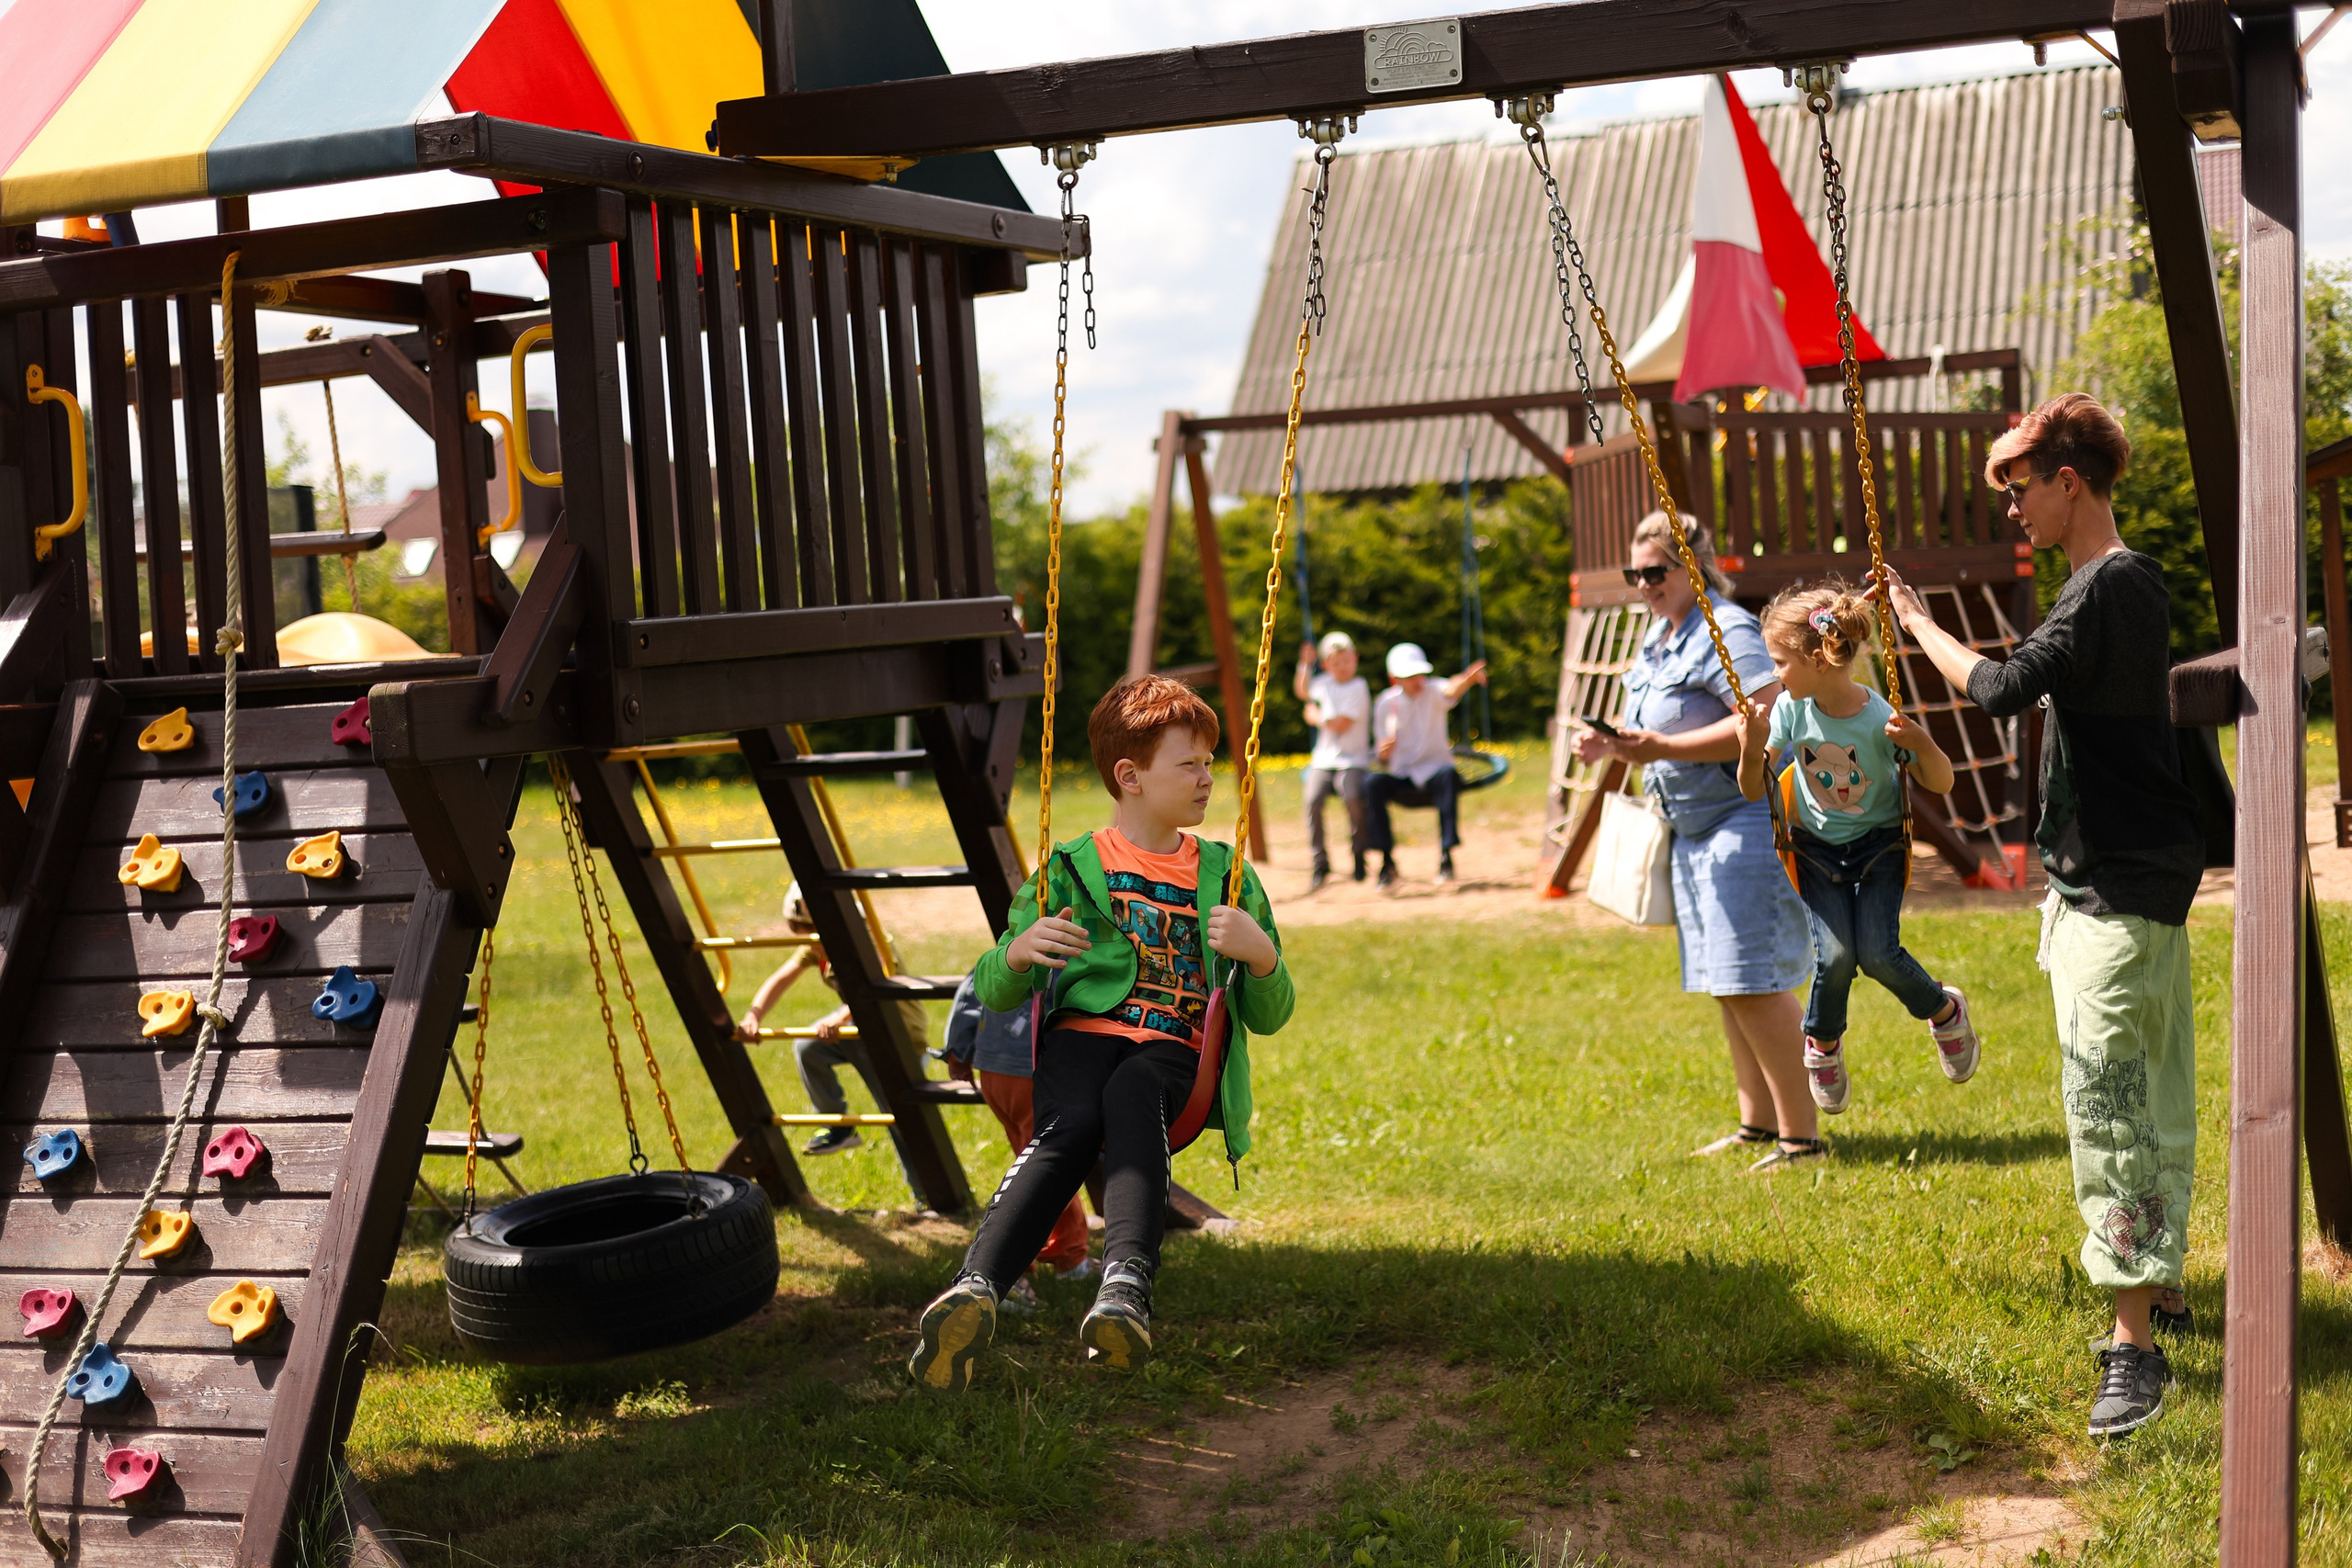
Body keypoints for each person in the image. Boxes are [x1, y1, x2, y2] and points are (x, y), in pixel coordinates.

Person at [1872, 393, 2200, 1439]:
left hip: (2121, 885)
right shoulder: (2093, 589)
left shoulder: (2114, 583)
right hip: (2101, 886)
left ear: (2068, 481)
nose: (2009, 508)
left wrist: (1917, 624)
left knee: (2113, 1107)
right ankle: (2160, 1285)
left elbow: (2005, 689)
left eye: (2016, 487)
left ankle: (2132, 1350)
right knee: (2146, 1091)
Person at [908, 674, 1294, 1391]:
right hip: (1082, 1037)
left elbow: (1270, 1012)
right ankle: (975, 1288)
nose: (1210, 777)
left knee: (1135, 1090)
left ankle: (1123, 1289)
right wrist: (1020, 953)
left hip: (1175, 1050)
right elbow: (995, 984)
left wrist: (1261, 954)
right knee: (1070, 1123)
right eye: (1191, 763)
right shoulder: (1071, 869)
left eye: (1212, 762)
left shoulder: (1226, 875)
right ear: (1131, 776)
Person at [1571, 512, 1820, 1171]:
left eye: (1656, 571)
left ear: (1694, 566)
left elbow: (1767, 717)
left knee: (1754, 980)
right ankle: (1757, 1126)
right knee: (1725, 982)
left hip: (1741, 820)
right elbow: (1647, 723)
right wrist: (1613, 742)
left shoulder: (1726, 627)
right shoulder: (1660, 633)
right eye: (1636, 573)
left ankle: (1803, 1138)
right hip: (1692, 829)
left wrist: (1661, 746)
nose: (1644, 584)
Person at [1734, 581, 1981, 1113]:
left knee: (1877, 953)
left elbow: (1942, 782)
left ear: (1817, 659)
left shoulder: (1876, 719)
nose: (1773, 674)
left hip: (1879, 847)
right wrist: (1753, 747)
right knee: (1838, 953)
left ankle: (1943, 1012)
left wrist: (1922, 744)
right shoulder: (1788, 713)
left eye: (1779, 661)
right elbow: (1754, 789)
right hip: (1815, 849)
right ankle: (1822, 1042)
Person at [735, 884, 927, 1159]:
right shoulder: (817, 945)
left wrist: (840, 1016)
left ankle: (924, 1196)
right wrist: (753, 1015)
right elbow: (781, 979)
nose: (814, 946)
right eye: (805, 938)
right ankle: (836, 1125)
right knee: (808, 1046)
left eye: (815, 937)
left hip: (898, 1033)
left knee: (900, 1117)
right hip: (860, 1028)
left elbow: (875, 988)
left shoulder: (872, 941)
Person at [940, 972, 1095, 1281]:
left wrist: (958, 1051)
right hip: (1033, 1071)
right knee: (1047, 1170)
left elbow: (970, 994)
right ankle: (1036, 1260)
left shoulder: (1009, 944)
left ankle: (1058, 1250)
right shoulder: (1074, 949)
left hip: (993, 1071)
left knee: (1031, 1160)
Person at [1365, 642, 1488, 886]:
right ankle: (1386, 861)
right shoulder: (1385, 704)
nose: (1417, 680)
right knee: (1372, 783)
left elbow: (1451, 690)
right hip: (1402, 774)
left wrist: (1468, 680)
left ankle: (1446, 855)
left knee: (1448, 774)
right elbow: (1381, 756)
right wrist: (1383, 753)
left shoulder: (1434, 690)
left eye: (1420, 673)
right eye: (1410, 676)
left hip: (1434, 771)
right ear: (1395, 678)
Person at [1294, 630, 1373, 891]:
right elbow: (1302, 691)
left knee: (1352, 796)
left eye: (1346, 661)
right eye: (1335, 663)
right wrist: (1305, 663)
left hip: (1353, 760)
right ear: (1326, 665)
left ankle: (1359, 853)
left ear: (1355, 659)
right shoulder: (1323, 682)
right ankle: (1320, 862)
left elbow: (1340, 725)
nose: (1342, 667)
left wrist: (1316, 717)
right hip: (1324, 759)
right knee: (1312, 800)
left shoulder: (1358, 687)